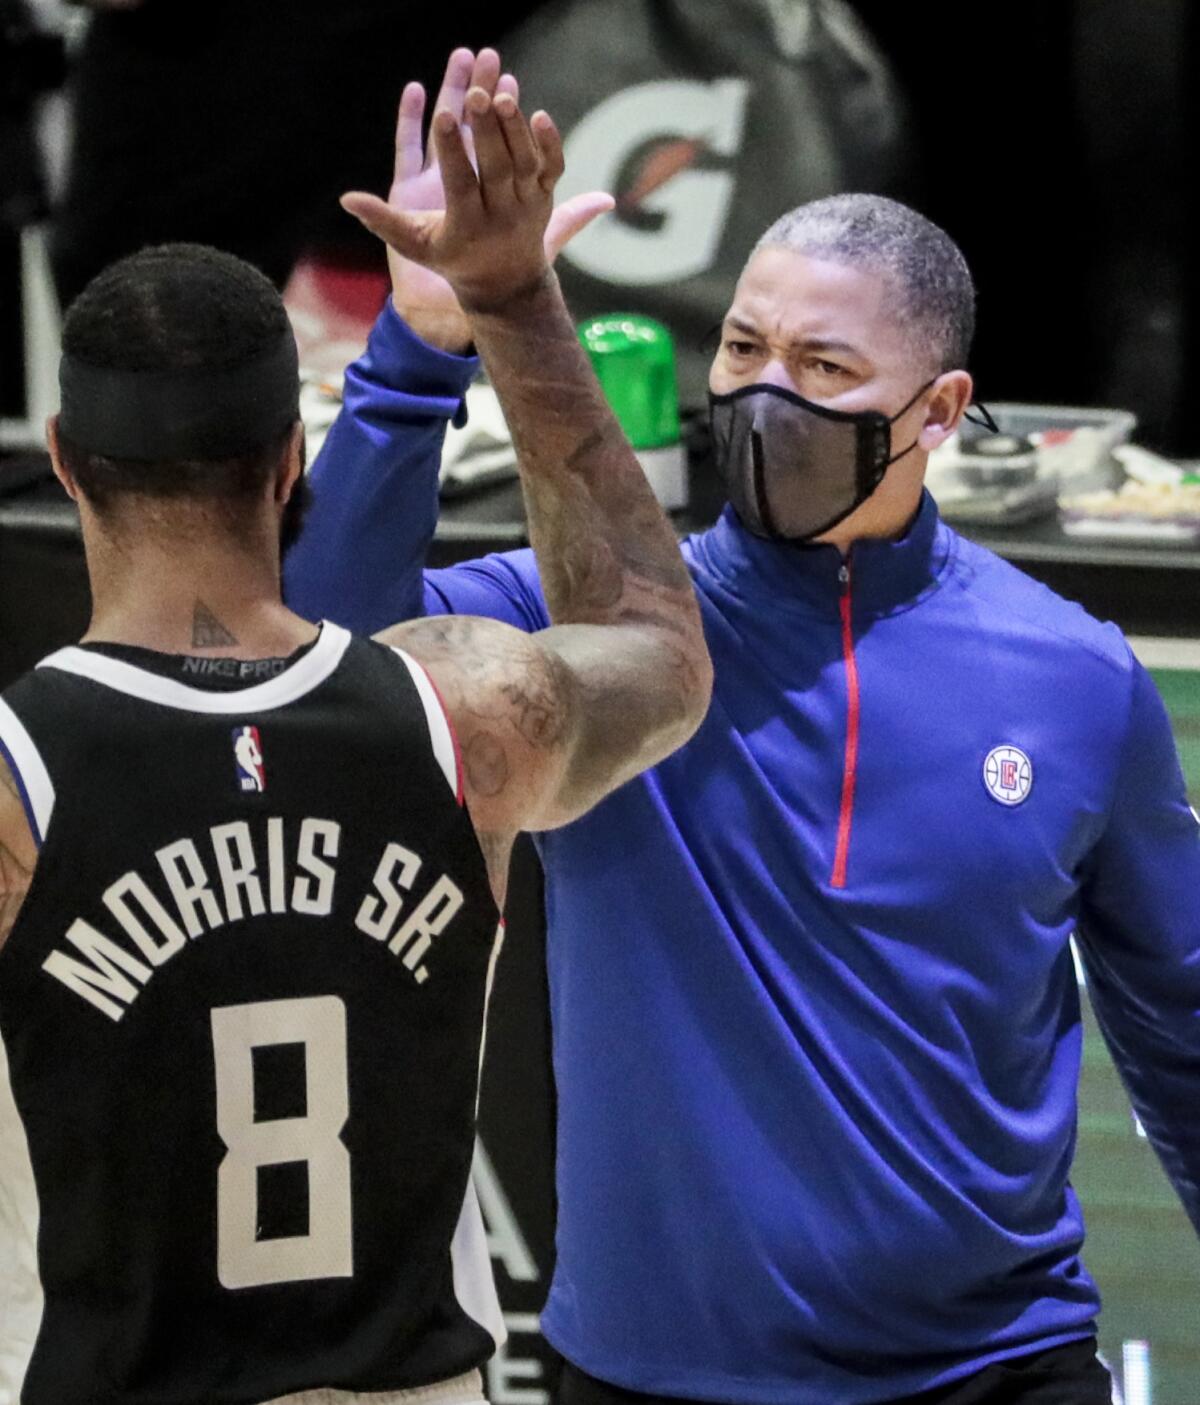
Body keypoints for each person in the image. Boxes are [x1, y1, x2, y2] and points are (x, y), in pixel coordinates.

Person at [287, 53, 1200, 1405]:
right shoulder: (587, 621)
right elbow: (327, 655)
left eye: (826, 365)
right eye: (744, 346)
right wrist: (423, 343)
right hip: (655, 1374)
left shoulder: (1074, 674)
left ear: (939, 413)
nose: (768, 393)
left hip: (996, 1367)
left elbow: (1182, 1017)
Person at [0, 58, 711, 1405]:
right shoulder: (468, 710)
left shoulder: (15, 784)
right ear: (288, 462)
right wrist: (511, 299)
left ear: (64, 457)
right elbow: (661, 645)